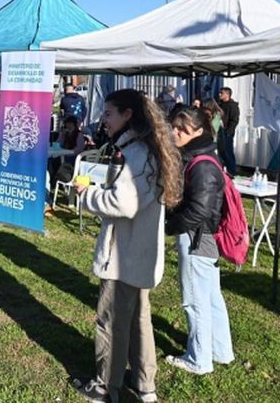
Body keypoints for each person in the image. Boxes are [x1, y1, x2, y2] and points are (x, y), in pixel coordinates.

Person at [71, 89, 183, 403]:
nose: (103, 120)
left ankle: (106, 386)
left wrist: (87, 194)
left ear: (127, 115)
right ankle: (145, 385)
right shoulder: (146, 149)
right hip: (138, 254)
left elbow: (124, 203)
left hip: (124, 256)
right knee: (138, 321)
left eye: (108, 113)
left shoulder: (137, 154)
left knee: (111, 322)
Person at [165, 106, 234, 375]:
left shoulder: (202, 164)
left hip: (197, 237)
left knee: (195, 300)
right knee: (210, 296)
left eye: (182, 128)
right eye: (173, 126)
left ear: (199, 131)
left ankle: (199, 359)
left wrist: (170, 225)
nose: (175, 132)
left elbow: (199, 210)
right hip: (205, 237)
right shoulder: (202, 156)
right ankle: (221, 350)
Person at [217, 87, 240, 176]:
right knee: (220, 152)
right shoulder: (220, 105)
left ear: (227, 94)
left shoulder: (233, 106)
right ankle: (222, 171)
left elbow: (234, 120)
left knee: (228, 152)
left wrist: (228, 132)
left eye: (221, 93)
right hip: (218, 132)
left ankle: (232, 172)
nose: (219, 95)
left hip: (226, 133)